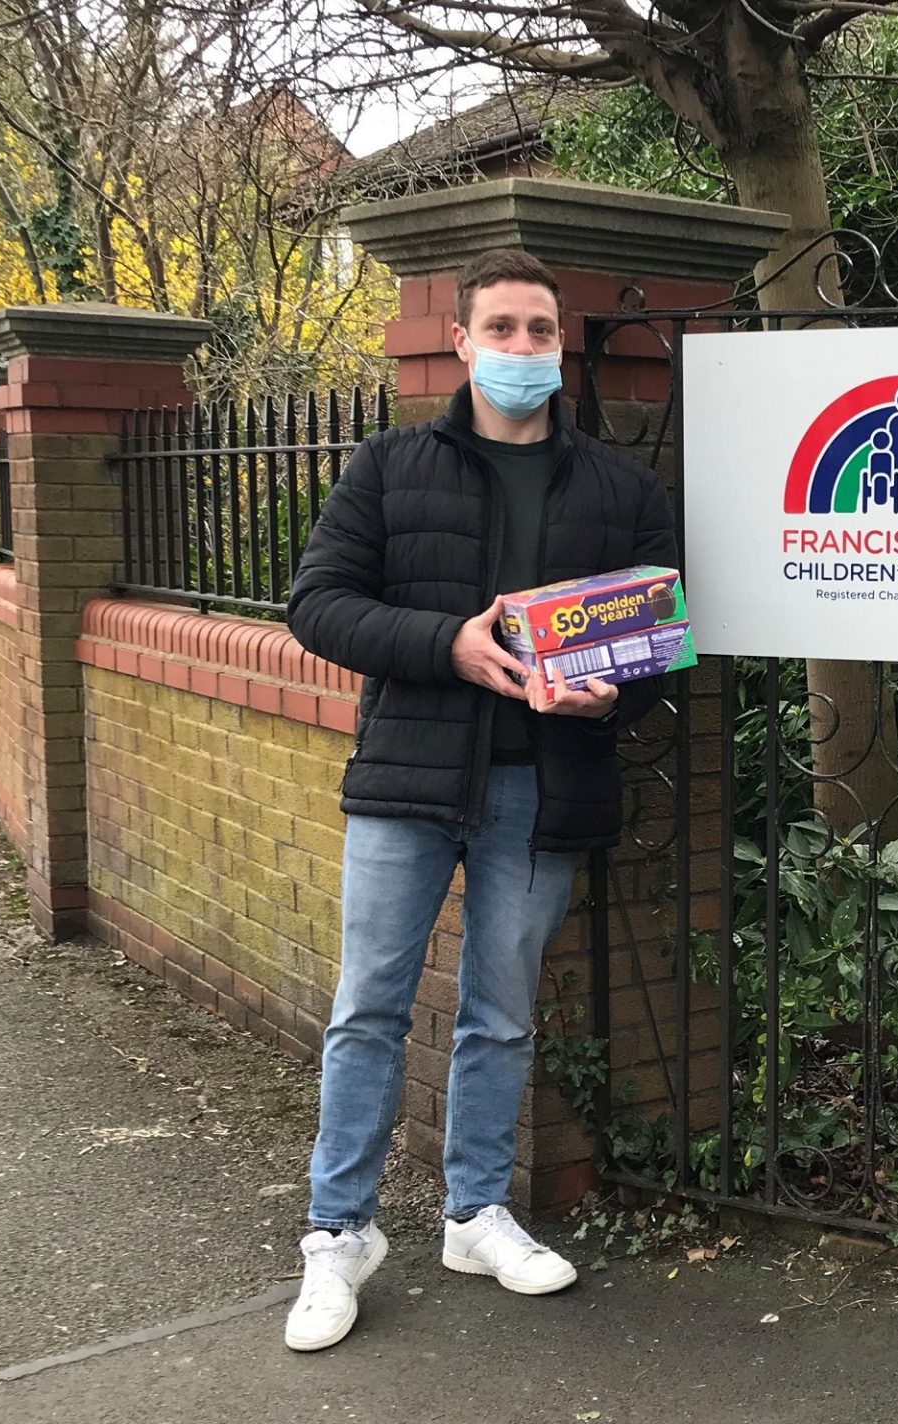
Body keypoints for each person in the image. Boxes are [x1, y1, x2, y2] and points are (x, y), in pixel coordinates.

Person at [279, 248, 678, 1352]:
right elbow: (317, 603)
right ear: (459, 341)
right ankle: (339, 1231)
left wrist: (614, 701)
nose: (519, 349)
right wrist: (447, 643)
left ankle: (473, 1211)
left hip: (539, 789)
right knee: (369, 1006)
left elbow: (659, 645)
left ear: (561, 343)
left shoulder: (621, 488)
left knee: (501, 1012)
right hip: (410, 783)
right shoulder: (392, 465)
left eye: (538, 330)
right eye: (499, 328)